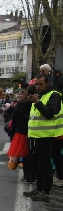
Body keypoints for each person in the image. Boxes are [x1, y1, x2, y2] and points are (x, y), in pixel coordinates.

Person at [23, 74, 63, 202]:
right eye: (36, 84)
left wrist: (37, 102)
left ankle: (45, 192)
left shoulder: (54, 95)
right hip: (34, 136)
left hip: (45, 136)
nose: (38, 87)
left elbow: (49, 114)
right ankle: (39, 188)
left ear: (48, 84)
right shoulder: (40, 96)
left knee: (44, 165)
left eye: (41, 84)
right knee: (35, 164)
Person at [6, 87, 33, 181]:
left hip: (21, 132)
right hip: (34, 133)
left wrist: (13, 134)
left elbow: (15, 121)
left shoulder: (20, 105)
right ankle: (32, 176)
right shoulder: (34, 105)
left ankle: (27, 175)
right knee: (32, 155)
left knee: (25, 155)